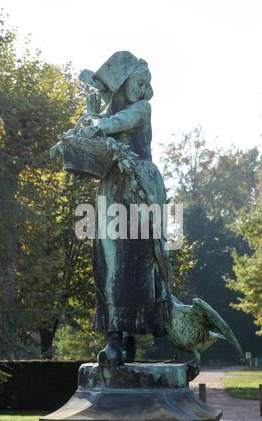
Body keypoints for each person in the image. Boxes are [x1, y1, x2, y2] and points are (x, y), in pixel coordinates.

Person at [79, 51, 171, 366]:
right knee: (109, 260)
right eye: (138, 81)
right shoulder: (107, 110)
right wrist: (92, 116)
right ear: (123, 83)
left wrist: (94, 119)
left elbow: (112, 125)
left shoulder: (141, 109)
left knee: (138, 260)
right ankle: (114, 337)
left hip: (139, 186)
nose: (143, 88)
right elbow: (97, 132)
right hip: (113, 186)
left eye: (146, 83)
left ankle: (129, 334)